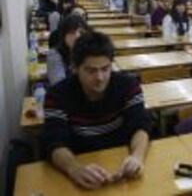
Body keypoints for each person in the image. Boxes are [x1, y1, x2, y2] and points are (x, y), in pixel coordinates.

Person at [42, 32, 152, 190]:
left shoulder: (128, 85)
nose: (100, 77)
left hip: (121, 166)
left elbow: (140, 125)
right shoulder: (57, 95)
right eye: (91, 71)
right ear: (75, 68)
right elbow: (54, 141)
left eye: (105, 68)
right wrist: (74, 168)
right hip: (81, 166)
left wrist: (137, 156)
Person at [47, 15, 89, 86]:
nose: (77, 36)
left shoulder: (90, 51)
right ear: (64, 36)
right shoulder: (55, 54)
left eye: (81, 32)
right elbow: (59, 85)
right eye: (72, 33)